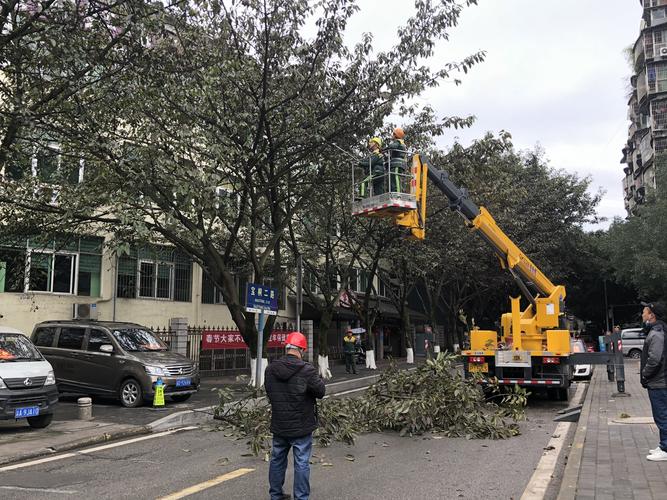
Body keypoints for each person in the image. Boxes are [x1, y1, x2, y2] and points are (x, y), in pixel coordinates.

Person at [265, 331, 325, 500]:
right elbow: (320, 392)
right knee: (301, 463)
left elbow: (269, 391)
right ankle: (301, 497)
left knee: (277, 460)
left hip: (279, 424)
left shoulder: (270, 369)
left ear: (287, 348)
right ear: (301, 350)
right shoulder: (307, 370)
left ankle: (275, 495)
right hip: (301, 426)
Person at [640, 301, 667, 461]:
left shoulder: (656, 334)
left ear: (652, 315)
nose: (642, 315)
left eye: (644, 312)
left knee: (662, 415)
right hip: (660, 381)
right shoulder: (659, 331)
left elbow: (655, 359)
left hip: (658, 382)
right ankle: (663, 445)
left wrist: (645, 374)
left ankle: (665, 448)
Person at [386, 127, 407, 193]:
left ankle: (397, 192)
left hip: (398, 163)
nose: (392, 136)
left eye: (393, 134)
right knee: (393, 177)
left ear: (396, 135)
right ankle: (394, 191)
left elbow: (393, 147)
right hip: (396, 163)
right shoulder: (399, 142)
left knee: (395, 176)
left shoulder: (398, 142)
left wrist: (385, 148)